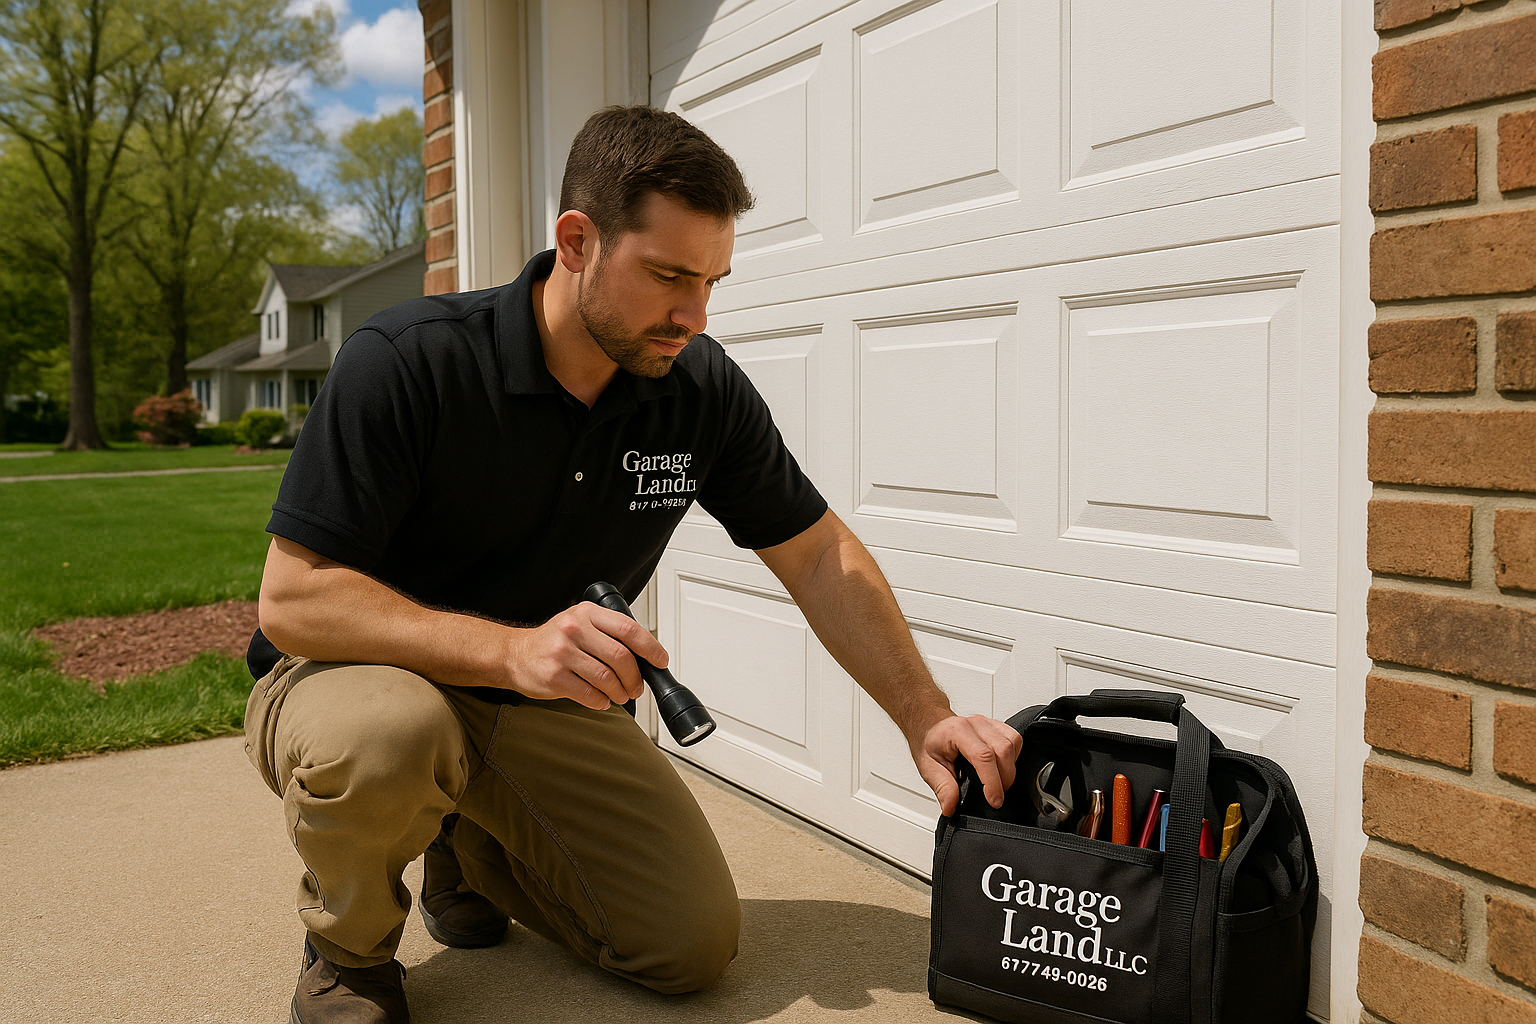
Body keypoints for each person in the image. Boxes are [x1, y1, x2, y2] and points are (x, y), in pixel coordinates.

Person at [245, 105, 1023, 1024]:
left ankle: (465, 833)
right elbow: (293, 600)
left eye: (712, 281)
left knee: (687, 948)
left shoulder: (695, 387)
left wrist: (922, 715)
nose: (693, 315)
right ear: (578, 240)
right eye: (667, 277)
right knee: (391, 737)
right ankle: (348, 953)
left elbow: (817, 555)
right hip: (362, 679)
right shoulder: (406, 362)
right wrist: (509, 652)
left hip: (540, 703)